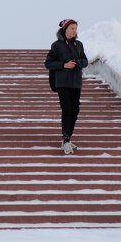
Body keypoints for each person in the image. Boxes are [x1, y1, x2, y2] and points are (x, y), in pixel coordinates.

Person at [44, 18, 89, 153]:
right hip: (62, 82)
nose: (75, 31)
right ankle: (66, 140)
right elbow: (48, 63)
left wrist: (78, 63)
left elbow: (85, 61)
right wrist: (64, 65)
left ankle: (67, 138)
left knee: (75, 110)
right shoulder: (57, 45)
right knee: (67, 109)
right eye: (72, 28)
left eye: (75, 28)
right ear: (65, 30)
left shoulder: (79, 45)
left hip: (76, 82)